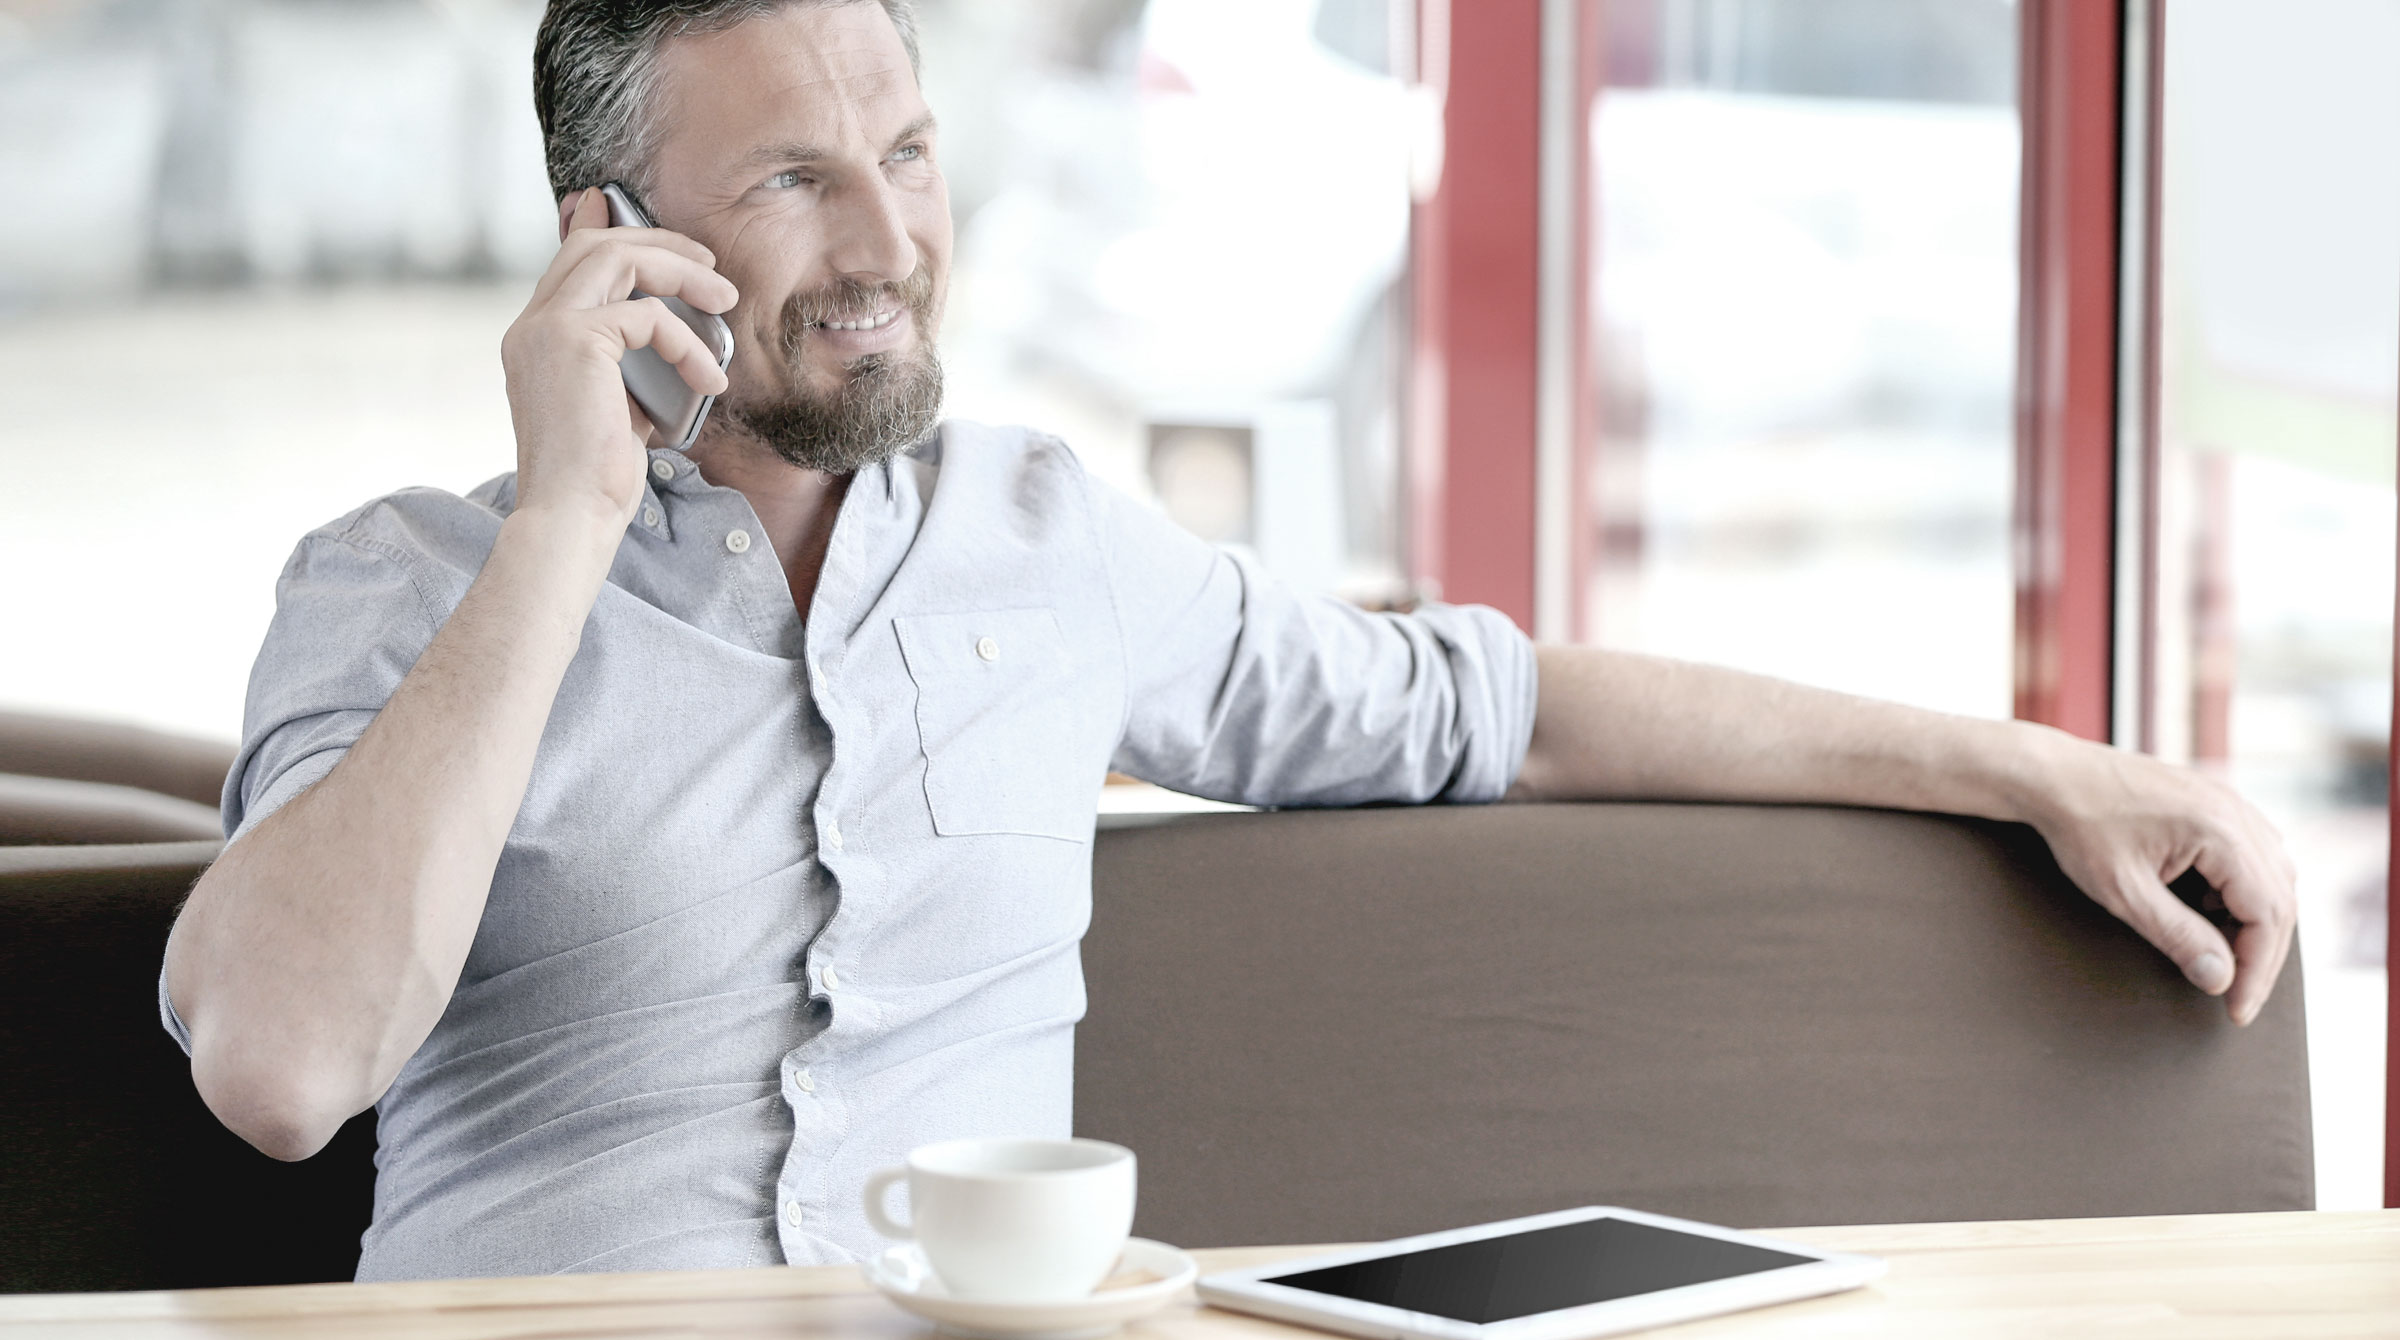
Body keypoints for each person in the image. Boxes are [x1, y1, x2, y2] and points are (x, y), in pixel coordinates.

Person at [159, 0, 2296, 1282]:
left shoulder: (1050, 544)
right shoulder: (408, 584)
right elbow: (278, 1066)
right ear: (605, 247)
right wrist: (567, 520)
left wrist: (2043, 767)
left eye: (910, 154)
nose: (895, 241)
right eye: (796, 184)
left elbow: (1501, 711)